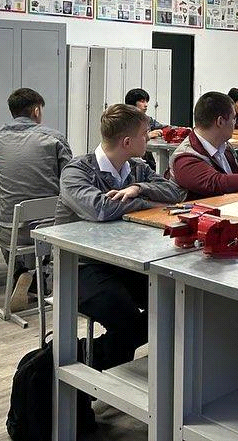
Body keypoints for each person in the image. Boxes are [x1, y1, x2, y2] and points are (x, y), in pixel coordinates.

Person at [56, 103, 186, 369]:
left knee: (174, 303)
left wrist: (138, 188)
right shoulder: (76, 171)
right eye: (144, 134)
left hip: (125, 261)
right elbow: (100, 209)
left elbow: (175, 193)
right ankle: (89, 364)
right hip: (79, 265)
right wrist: (150, 204)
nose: (149, 138)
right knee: (125, 319)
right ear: (127, 142)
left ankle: (104, 360)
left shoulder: (136, 168)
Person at [0, 88, 72, 309]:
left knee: (3, 205)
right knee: (60, 205)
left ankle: (20, 274)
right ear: (36, 111)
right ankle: (40, 278)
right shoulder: (54, 138)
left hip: (10, 229)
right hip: (49, 227)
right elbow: (69, 177)